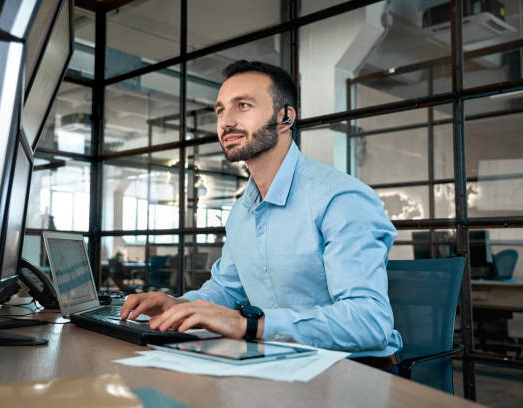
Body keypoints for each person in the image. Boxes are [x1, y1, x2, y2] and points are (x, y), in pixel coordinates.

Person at [121, 60, 402, 367]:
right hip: (277, 360)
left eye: (243, 105)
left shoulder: (340, 198)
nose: (226, 121)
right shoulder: (242, 212)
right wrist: (180, 305)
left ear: (284, 118)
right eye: (220, 110)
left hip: (351, 368)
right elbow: (227, 288)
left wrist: (248, 325)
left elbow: (369, 322)